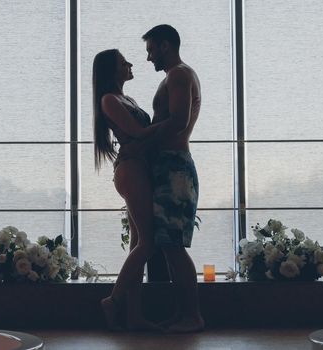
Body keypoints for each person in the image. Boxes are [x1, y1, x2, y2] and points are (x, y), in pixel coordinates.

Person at [141, 24, 205, 333]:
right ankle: (183, 315)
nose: (149, 57)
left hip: (174, 168)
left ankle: (192, 316)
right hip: (170, 166)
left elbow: (177, 122)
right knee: (168, 247)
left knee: (174, 247)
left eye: (151, 49)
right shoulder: (177, 75)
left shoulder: (179, 74)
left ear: (165, 45)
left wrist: (138, 137)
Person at [92, 49, 162, 331]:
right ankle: (114, 300)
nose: (131, 64)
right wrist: (173, 122)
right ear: (112, 71)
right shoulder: (109, 99)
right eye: (124, 63)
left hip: (138, 166)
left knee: (138, 244)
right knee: (148, 241)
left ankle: (134, 316)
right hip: (131, 169)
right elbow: (138, 132)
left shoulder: (125, 98)